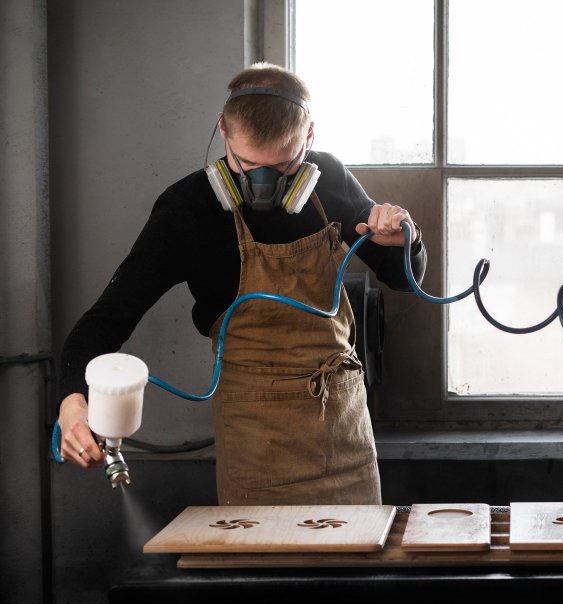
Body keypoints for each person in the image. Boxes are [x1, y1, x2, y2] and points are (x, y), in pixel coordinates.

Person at [56, 63, 426, 506]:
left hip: (342, 428)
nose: (263, 185)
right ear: (223, 131)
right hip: (256, 437)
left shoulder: (329, 182)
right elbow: (106, 320)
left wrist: (406, 238)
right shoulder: (188, 210)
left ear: (309, 137)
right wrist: (71, 402)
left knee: (354, 565)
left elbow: (405, 279)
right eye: (246, 164)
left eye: (285, 166)